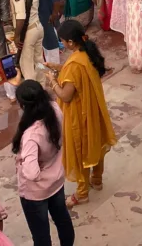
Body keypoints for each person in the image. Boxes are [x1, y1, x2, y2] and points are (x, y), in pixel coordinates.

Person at [43, 19, 116, 207]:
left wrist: (52, 81)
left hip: (79, 114)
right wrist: (59, 68)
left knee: (81, 150)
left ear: (69, 42)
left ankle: (82, 193)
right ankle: (97, 180)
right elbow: (75, 73)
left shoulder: (75, 63)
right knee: (96, 144)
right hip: (94, 109)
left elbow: (66, 96)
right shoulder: (87, 53)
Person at [12, 80, 74, 246]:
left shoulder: (32, 135)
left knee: (41, 236)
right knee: (63, 220)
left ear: (24, 106)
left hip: (35, 193)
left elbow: (32, 173)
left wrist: (22, 162)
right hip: (57, 180)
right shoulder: (54, 108)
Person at [5, 0, 44, 83]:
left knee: (26, 65)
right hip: (38, 27)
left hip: (27, 32)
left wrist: (16, 36)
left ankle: (32, 94)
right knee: (39, 61)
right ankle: (42, 87)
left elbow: (21, 17)